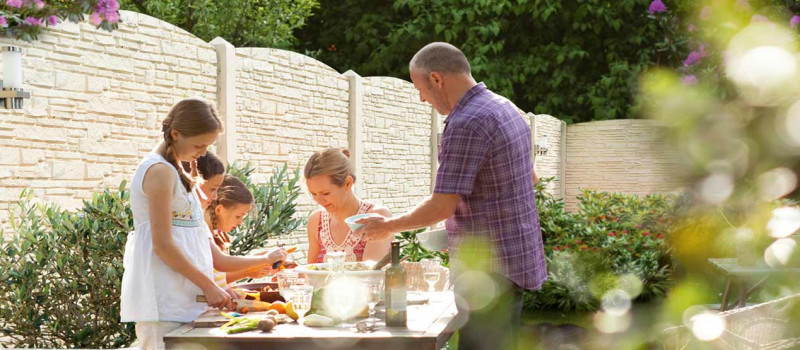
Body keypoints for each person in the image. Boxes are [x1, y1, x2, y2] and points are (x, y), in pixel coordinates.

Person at [357, 42, 547, 350]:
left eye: (420, 88)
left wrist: (388, 225)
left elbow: (442, 206)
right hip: (515, 259)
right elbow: (531, 177)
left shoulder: (466, 123)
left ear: (436, 78)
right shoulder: (505, 107)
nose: (421, 98)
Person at [120, 98, 287, 349]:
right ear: (175, 134)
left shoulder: (177, 172)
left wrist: (218, 287)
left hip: (187, 304)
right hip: (164, 304)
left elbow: (213, 257)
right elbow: (163, 245)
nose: (203, 152)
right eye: (199, 145)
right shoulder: (159, 171)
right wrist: (208, 286)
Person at [304, 148, 392, 263]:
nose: (319, 200)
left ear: (348, 183)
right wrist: (293, 271)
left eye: (325, 193)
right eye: (313, 194)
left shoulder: (376, 216)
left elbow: (369, 275)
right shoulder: (316, 221)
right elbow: (309, 274)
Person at [205, 175, 295, 287]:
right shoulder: (201, 233)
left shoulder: (219, 234)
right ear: (219, 209)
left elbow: (219, 277)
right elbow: (221, 266)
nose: (240, 222)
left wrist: (257, 260)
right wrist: (263, 260)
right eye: (238, 216)